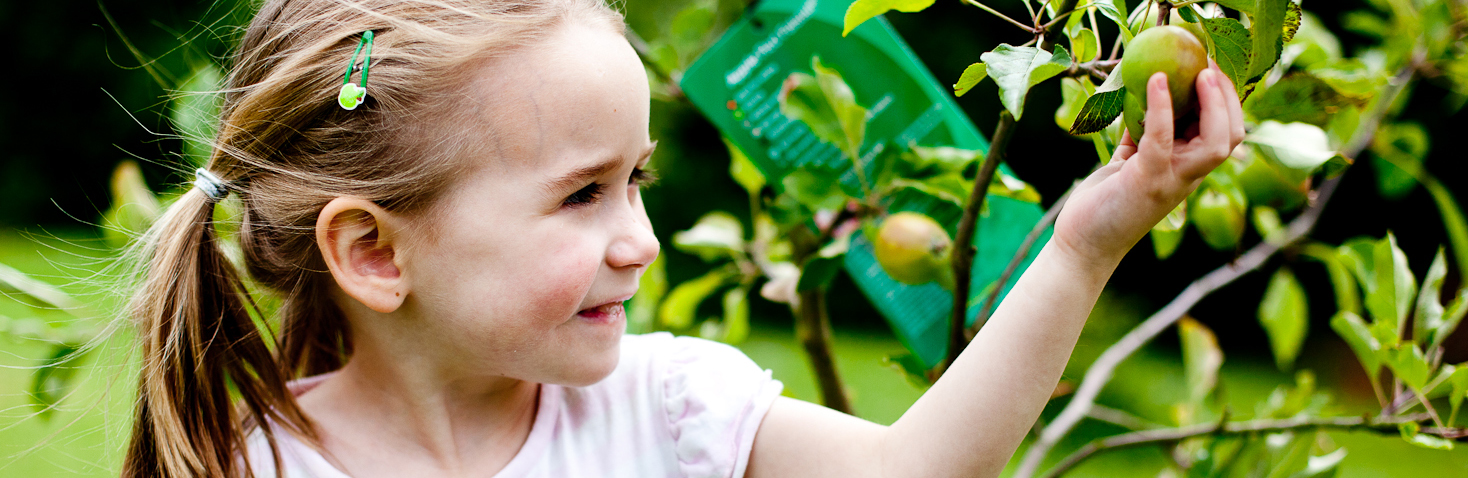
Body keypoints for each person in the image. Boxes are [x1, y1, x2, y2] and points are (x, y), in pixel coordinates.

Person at [120, 0, 1246, 476]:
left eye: (637, 182)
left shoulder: (666, 410)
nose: (641, 241)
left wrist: (1087, 241)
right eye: (582, 196)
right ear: (375, 251)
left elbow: (923, 466)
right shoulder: (251, 465)